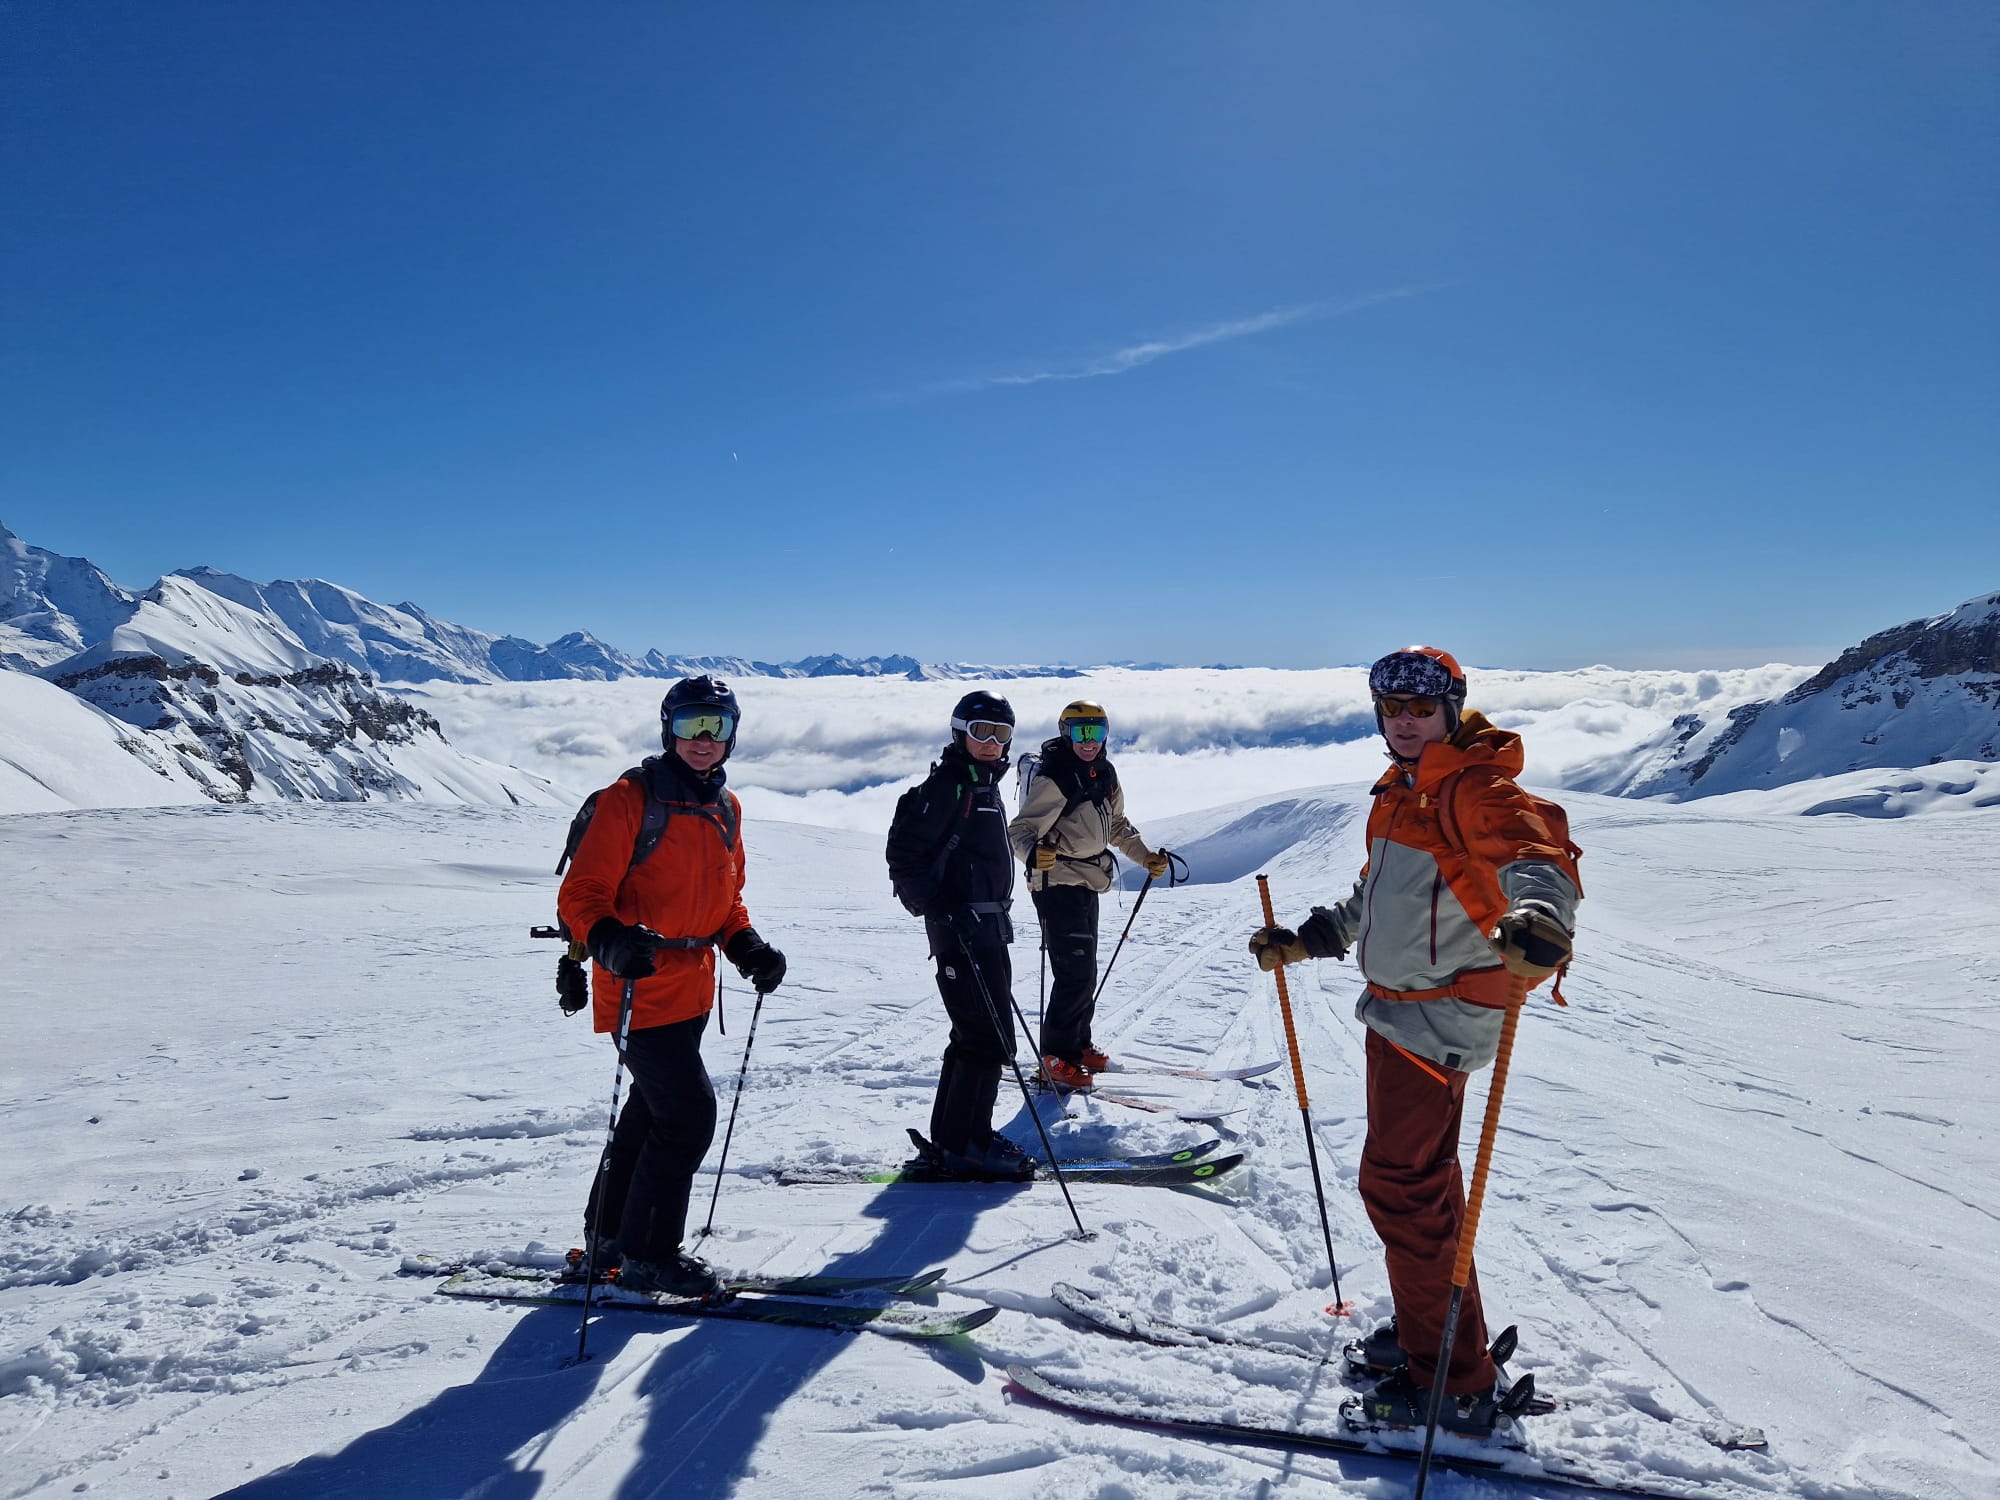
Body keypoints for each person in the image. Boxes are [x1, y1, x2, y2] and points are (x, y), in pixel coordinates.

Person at [1248, 646, 1580, 1435]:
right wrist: (1308, 938)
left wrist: (1541, 918)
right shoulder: (1403, 791)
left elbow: (1534, 858)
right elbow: (1377, 897)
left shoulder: (1474, 788)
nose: (1404, 719)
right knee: (1420, 1189)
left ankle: (1453, 1381)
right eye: (1391, 707)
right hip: (1400, 1014)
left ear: (1451, 709)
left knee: (1403, 1189)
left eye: (1419, 707)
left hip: (1437, 1021)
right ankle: (1437, 1336)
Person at [558, 675, 787, 1297]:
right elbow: (581, 893)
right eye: (691, 724)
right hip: (635, 987)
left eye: (717, 726)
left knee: (650, 1113)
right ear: (668, 728)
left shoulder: (725, 807)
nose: (704, 740)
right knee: (687, 1118)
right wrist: (607, 937)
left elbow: (725, 900)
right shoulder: (627, 800)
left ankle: (608, 1235)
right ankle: (648, 1255)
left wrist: (747, 947)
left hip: (691, 989)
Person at [884, 690, 1035, 1182]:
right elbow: (904, 859)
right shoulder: (947, 787)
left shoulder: (981, 787)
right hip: (960, 931)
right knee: (985, 1038)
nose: (991, 743)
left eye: (1001, 734)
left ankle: (959, 1138)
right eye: (981, 732)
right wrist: (947, 911)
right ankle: (966, 1145)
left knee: (978, 1037)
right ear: (959, 734)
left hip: (986, 928)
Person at [1007, 699, 1170, 1088]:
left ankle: (1077, 1046)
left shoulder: (1104, 773)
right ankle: (1055, 1058)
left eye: (1096, 732)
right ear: (1066, 733)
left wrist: (1144, 856)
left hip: (1090, 879)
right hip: (1056, 881)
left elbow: (1116, 825)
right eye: (1080, 732)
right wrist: (1034, 855)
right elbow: (1020, 831)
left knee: (1085, 969)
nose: (1088, 740)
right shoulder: (1056, 777)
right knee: (1074, 971)